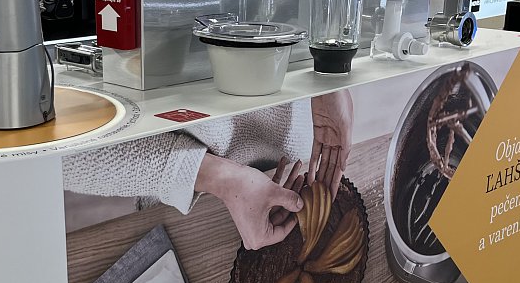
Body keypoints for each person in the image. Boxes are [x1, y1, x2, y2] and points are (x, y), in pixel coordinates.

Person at [63, 90, 354, 250]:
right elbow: (59, 153)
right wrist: (218, 177)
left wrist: (331, 74)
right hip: (193, 203)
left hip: (292, 164)